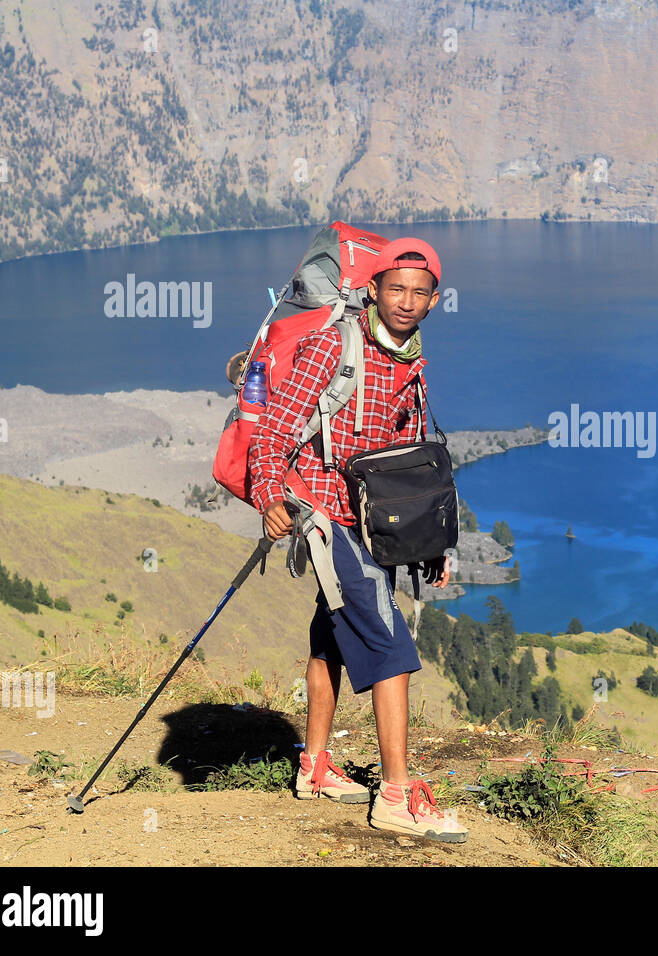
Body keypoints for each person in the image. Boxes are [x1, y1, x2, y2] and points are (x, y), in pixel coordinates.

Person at [248, 236, 468, 844]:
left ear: (433, 301)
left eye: (419, 293)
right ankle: (396, 796)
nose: (406, 300)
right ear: (372, 289)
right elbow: (274, 431)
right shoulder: (333, 345)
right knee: (388, 639)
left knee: (334, 633)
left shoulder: (412, 363)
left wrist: (432, 545)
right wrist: (270, 498)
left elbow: (412, 468)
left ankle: (315, 768)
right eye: (395, 288)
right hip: (320, 510)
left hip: (371, 519)